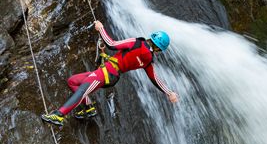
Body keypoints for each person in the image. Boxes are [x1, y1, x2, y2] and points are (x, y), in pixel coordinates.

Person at [41, 20, 178, 126]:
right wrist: (169, 92)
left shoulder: (137, 43)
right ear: (159, 49)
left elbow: (112, 44)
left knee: (82, 89)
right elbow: (155, 79)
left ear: (152, 38)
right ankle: (88, 108)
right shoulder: (148, 61)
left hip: (107, 72)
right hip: (110, 74)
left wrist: (101, 28)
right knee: (73, 81)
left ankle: (59, 115)